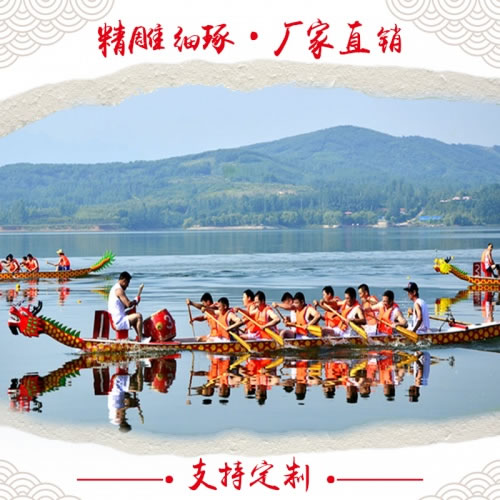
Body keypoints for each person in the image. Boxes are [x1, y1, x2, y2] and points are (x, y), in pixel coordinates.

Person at [108, 271, 146, 342]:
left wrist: (134, 303)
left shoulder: (114, 288)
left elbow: (124, 306)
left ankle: (140, 335)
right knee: (138, 316)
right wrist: (136, 300)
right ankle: (141, 339)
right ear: (124, 281)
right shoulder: (119, 290)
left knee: (133, 314)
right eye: (127, 283)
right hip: (119, 322)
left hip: (117, 319)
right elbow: (128, 304)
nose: (127, 286)